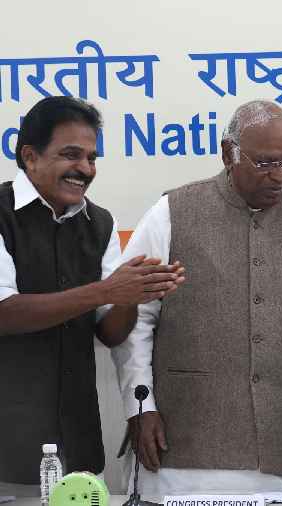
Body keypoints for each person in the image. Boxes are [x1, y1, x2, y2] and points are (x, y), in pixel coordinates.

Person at [112, 100, 282, 495]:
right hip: (186, 456)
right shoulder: (171, 215)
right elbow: (136, 317)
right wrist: (140, 407)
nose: (280, 176)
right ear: (228, 153)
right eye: (265, 163)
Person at [0, 97, 184, 493]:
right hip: (6, 452)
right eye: (71, 155)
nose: (85, 169)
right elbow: (6, 313)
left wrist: (133, 293)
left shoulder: (99, 223)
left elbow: (110, 332)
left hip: (78, 450)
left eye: (91, 157)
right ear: (30, 157)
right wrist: (107, 289)